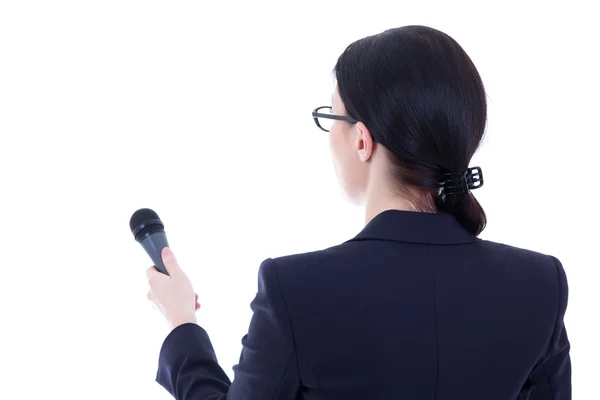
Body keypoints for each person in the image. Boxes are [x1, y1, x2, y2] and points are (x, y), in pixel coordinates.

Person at [145, 25, 571, 400]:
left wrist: (183, 323)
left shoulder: (294, 289)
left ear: (362, 140)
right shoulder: (541, 285)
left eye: (332, 115)